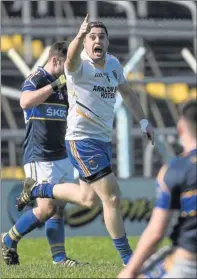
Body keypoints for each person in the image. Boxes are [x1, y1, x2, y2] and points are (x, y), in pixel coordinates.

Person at [16, 16, 154, 266]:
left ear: (108, 41)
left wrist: (144, 122)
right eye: (92, 37)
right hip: (82, 140)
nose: (97, 41)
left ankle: (38, 190)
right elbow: (69, 59)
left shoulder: (113, 65)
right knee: (112, 197)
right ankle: (129, 260)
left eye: (101, 36)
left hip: (101, 141)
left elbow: (129, 94)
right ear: (85, 44)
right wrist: (79, 36)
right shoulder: (78, 65)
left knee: (87, 199)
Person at [1, 41, 86, 267]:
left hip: (60, 153)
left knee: (58, 207)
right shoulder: (36, 78)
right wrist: (55, 85)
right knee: (46, 208)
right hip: (39, 154)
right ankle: (8, 238)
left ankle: (59, 259)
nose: (69, 70)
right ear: (56, 60)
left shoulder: (65, 85)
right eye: (66, 65)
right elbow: (24, 101)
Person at [118, 99, 197, 278]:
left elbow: (156, 233)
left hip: (188, 264)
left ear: (181, 128)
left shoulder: (176, 169)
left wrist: (129, 271)